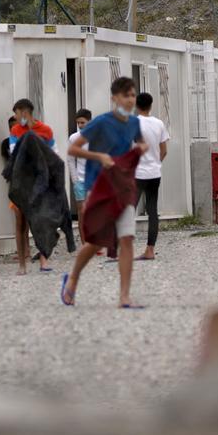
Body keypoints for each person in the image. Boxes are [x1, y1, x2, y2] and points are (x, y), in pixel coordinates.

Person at [62, 77, 148, 308]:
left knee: (127, 238)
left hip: (124, 187)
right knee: (95, 242)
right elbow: (72, 148)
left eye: (132, 95)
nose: (130, 99)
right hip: (98, 187)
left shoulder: (134, 123)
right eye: (126, 95)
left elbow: (141, 143)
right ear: (114, 98)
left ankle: (124, 296)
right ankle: (73, 279)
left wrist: (141, 148)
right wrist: (99, 156)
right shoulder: (100, 122)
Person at [9, 99, 56, 274]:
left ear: (24, 112)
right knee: (21, 221)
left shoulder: (46, 130)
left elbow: (54, 153)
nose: (15, 117)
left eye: (16, 113)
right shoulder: (15, 130)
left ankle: (44, 259)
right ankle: (22, 263)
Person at [135, 93, 170, 260]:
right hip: (155, 173)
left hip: (137, 173)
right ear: (151, 105)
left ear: (137, 105)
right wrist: (156, 163)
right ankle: (150, 250)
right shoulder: (159, 124)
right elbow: (164, 150)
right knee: (152, 210)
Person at [67, 109, 93, 245]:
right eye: (78, 123)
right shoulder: (73, 138)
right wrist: (75, 180)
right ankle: (84, 243)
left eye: (83, 122)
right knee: (82, 212)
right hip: (80, 180)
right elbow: (70, 160)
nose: (80, 125)